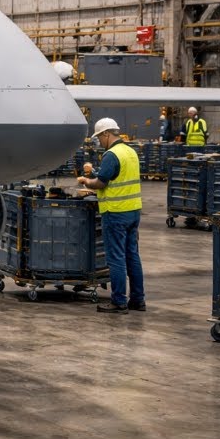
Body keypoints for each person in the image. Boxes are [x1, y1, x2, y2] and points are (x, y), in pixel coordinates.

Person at [79, 117, 145, 313]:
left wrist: (86, 181)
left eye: (99, 137)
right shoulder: (130, 151)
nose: (99, 141)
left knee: (116, 258)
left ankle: (119, 302)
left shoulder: (111, 154)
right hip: (133, 211)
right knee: (132, 256)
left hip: (116, 213)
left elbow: (101, 182)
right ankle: (138, 300)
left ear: (106, 134)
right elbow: (119, 178)